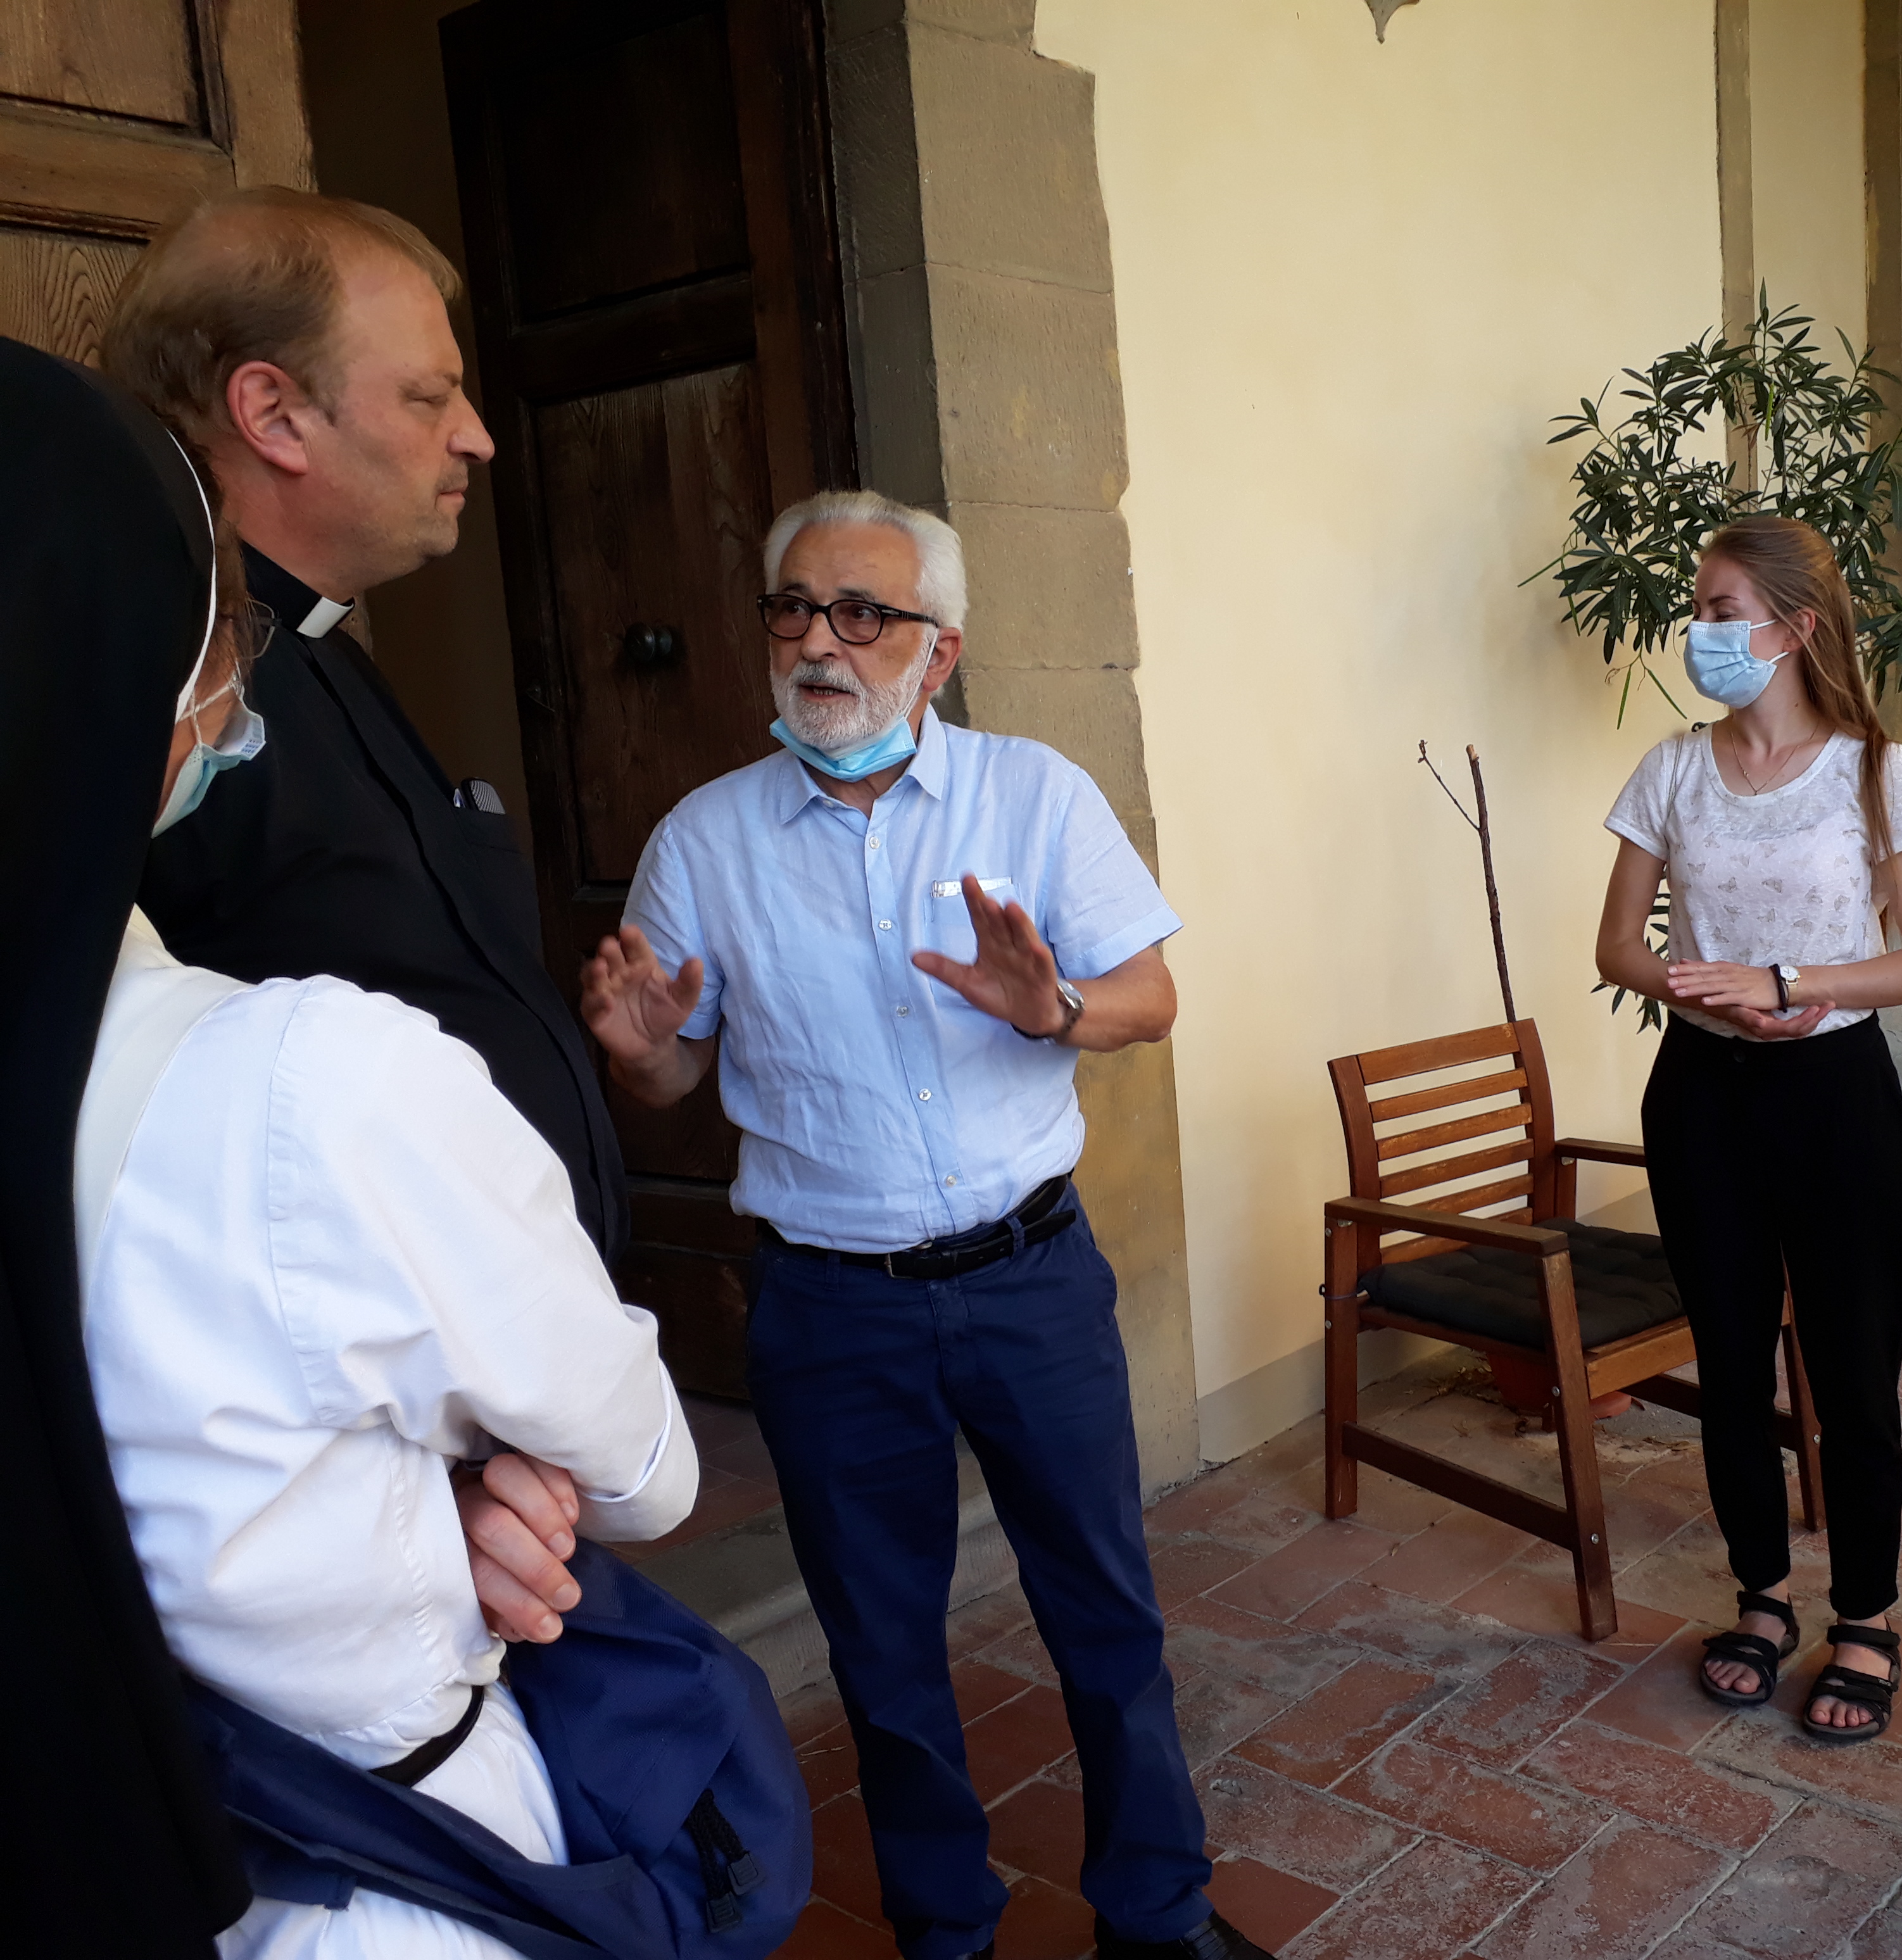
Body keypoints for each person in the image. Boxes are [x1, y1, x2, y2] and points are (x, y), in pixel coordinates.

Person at [3, 335, 700, 1957]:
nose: (478, 436)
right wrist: (441, 1479)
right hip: (371, 1874)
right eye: (215, 651)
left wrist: (386, 1491)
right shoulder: (303, 1086)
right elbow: (644, 1461)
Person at [576, 489, 1268, 1960]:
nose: (818, 644)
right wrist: (640, 1053)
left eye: (861, 614)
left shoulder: (1034, 794)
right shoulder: (705, 840)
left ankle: (1156, 1914)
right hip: (832, 1307)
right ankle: (945, 1929)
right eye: (793, 608)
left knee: (1107, 1614)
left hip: (1030, 1281)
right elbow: (676, 1071)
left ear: (938, 651)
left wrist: (1055, 1006)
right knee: (883, 1649)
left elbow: (1149, 997)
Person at [99, 187, 632, 1264]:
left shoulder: (328, 651)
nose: (478, 437)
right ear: (273, 414)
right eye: (430, 397)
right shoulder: (154, 693)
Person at [1594, 513, 1902, 1743]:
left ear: (1795, 629)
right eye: (1698, 609)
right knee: (1732, 1364)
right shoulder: (1671, 770)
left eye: (1721, 611)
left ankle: (1866, 1619)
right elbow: (1616, 944)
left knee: (1854, 1374)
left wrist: (1793, 983)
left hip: (1840, 1100)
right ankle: (1760, 1597)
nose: (1699, 630)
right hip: (1704, 1098)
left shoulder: (1874, 771)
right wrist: (1704, 990)